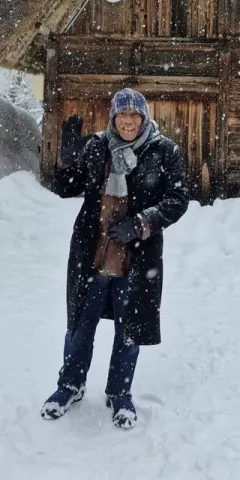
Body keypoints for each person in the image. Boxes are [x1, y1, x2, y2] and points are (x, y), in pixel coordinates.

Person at [41, 88, 189, 429]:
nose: (128, 121)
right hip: (93, 255)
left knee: (129, 330)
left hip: (136, 259)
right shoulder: (96, 146)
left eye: (135, 115)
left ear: (144, 118)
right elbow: (66, 187)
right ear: (113, 117)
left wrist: (141, 223)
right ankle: (70, 386)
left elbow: (178, 198)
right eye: (123, 115)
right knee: (80, 325)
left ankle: (119, 393)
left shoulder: (164, 151)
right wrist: (64, 159)